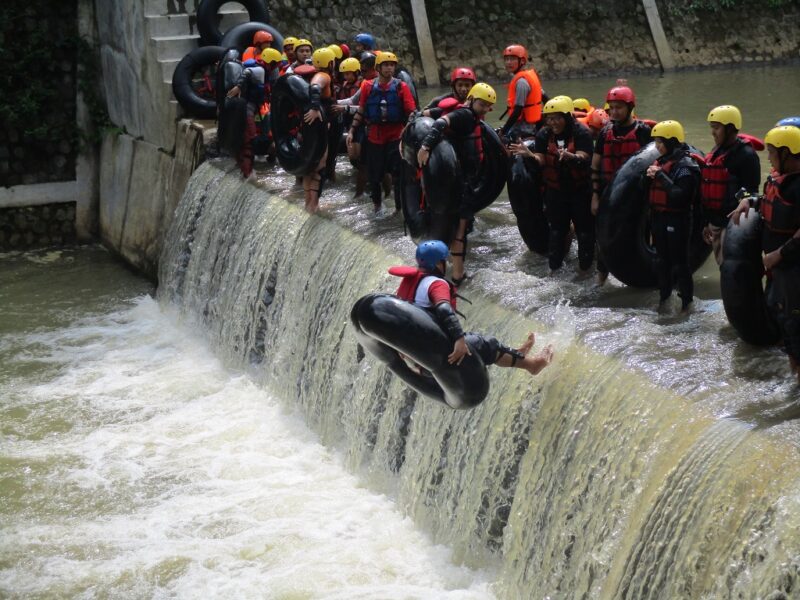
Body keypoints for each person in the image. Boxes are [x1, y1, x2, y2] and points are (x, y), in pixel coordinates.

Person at [389, 240, 554, 374]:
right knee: (486, 344)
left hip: (414, 349)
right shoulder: (436, 283)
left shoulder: (409, 281)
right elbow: (444, 310)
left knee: (477, 340)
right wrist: (459, 340)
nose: (448, 263)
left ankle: (517, 354)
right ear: (438, 264)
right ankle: (532, 365)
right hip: (434, 349)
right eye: (445, 260)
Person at [730, 125, 800, 382]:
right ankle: (792, 375)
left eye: (772, 153)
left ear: (788, 153)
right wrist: (751, 200)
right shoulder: (782, 180)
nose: (768, 157)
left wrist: (778, 255)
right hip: (779, 270)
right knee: (780, 316)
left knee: (794, 325)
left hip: (793, 267)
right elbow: (771, 202)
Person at [417, 82, 497, 285]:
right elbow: (441, 123)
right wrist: (425, 146)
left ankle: (452, 272)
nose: (485, 108)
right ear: (471, 100)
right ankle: (456, 274)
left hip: (464, 181)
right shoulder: (465, 115)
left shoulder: (473, 117)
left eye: (488, 105)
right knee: (458, 230)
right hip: (459, 183)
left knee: (457, 228)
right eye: (482, 104)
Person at [513, 95, 595, 273]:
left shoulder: (582, 132)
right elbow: (541, 160)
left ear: (566, 116)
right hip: (556, 192)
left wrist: (572, 157)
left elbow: (585, 157)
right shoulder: (544, 134)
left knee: (584, 232)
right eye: (549, 118)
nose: (553, 122)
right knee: (557, 231)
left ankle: (585, 270)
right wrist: (530, 155)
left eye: (557, 118)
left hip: (580, 191)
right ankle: (554, 270)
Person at [591, 85, 652, 284]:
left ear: (630, 107)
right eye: (612, 107)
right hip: (609, 195)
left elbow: (654, 162)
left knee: (643, 234)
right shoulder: (604, 133)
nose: (614, 112)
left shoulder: (643, 131)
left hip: (637, 197)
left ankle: (645, 275)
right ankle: (601, 280)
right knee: (603, 240)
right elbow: (595, 166)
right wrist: (595, 195)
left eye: (619, 107)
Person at [348, 51, 416, 215]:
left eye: (392, 65)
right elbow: (362, 110)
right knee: (374, 175)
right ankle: (377, 206)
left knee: (398, 175)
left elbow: (411, 111)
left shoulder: (401, 87)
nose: (389, 68)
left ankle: (399, 209)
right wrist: (352, 130)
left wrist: (409, 128)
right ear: (378, 67)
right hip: (375, 136)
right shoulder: (367, 86)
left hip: (396, 135)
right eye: (385, 65)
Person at [644, 120, 700, 312]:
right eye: (656, 142)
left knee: (679, 263)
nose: (657, 146)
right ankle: (664, 299)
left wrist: (659, 176)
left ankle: (686, 304)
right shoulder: (661, 162)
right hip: (659, 217)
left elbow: (680, 197)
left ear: (672, 141)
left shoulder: (686, 166)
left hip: (678, 219)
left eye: (660, 141)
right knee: (661, 261)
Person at [700, 105, 761, 265]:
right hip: (715, 222)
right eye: (712, 128)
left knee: (731, 269)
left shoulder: (746, 155)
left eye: (717, 128)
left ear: (730, 129)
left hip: (732, 223)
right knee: (723, 267)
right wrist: (707, 222)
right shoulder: (716, 152)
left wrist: (737, 200)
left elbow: (751, 190)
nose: (713, 132)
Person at [301, 47, 336, 213]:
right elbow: (315, 88)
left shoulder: (315, 74)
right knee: (319, 163)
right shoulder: (323, 76)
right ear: (329, 62)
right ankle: (313, 204)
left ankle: (309, 202)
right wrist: (315, 108)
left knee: (312, 164)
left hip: (314, 124)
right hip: (318, 124)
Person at [226, 58, 266, 178]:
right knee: (249, 142)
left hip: (246, 110)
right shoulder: (259, 70)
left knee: (242, 141)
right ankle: (247, 173)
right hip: (245, 110)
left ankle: (244, 168)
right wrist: (239, 86)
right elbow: (247, 72)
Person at [499, 44, 543, 141]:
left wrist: (503, 131)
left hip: (523, 130)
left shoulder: (521, 82)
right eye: (506, 59)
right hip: (531, 126)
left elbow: (518, 110)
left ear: (522, 61)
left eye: (512, 59)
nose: (508, 62)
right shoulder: (529, 77)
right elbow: (545, 97)